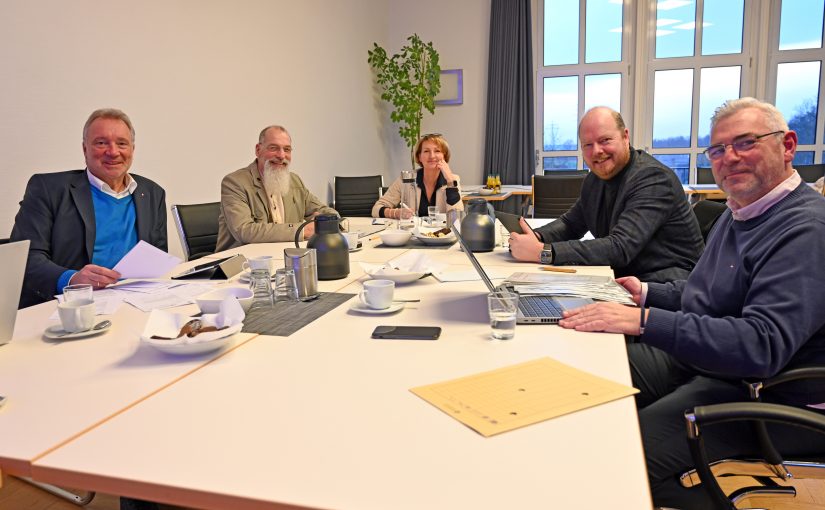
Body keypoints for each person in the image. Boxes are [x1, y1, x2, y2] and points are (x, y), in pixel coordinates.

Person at [558, 98, 825, 509]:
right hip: (712, 362)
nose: (729, 158)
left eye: (746, 143)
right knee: (583, 374)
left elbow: (760, 346)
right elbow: (707, 295)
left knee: (619, 456)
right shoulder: (739, 212)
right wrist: (644, 294)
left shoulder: (805, 229)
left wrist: (645, 321)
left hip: (765, 392)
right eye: (717, 150)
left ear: (787, 146)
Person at [508, 107, 702, 283]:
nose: (597, 151)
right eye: (588, 145)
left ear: (625, 137)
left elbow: (620, 247)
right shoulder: (595, 179)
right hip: (627, 278)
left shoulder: (653, 179)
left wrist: (544, 253)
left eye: (605, 141)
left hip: (668, 287)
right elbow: (571, 224)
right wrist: (535, 237)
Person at [10, 108, 167, 308]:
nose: (113, 151)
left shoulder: (152, 193)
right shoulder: (48, 189)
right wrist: (72, 279)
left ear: (132, 149)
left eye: (122, 143)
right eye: (101, 143)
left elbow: (157, 256)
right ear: (85, 149)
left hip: (136, 303)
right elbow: (25, 258)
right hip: (71, 307)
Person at [217, 125, 338, 251]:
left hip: (283, 256)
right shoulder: (234, 183)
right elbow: (244, 231)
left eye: (287, 149)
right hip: (241, 263)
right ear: (258, 150)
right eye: (273, 148)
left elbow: (330, 214)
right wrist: (303, 230)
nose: (281, 155)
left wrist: (323, 222)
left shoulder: (294, 181)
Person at [371, 133, 464, 219]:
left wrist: (450, 181)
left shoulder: (453, 179)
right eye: (426, 151)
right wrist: (396, 213)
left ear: (444, 156)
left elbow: (457, 217)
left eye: (437, 151)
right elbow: (376, 209)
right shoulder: (406, 178)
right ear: (419, 157)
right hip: (413, 234)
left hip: (441, 235)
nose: (432, 156)